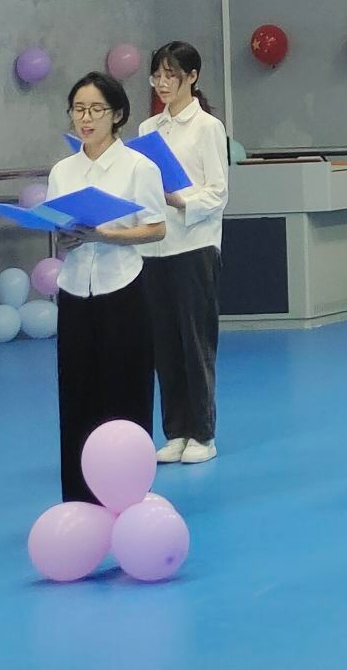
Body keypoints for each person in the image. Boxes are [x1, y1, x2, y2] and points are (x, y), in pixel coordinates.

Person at [46, 72, 166, 504]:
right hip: (75, 291)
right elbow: (60, 224)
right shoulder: (63, 170)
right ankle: (79, 498)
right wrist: (64, 237)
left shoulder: (138, 167)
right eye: (79, 109)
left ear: (117, 115)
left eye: (96, 109)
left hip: (122, 289)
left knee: (125, 395)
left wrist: (105, 235)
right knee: (77, 396)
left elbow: (156, 228)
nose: (86, 118)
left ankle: (129, 495)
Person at [140, 42, 229, 466]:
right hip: (155, 247)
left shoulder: (208, 127)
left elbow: (218, 193)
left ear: (192, 77)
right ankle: (175, 430)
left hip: (195, 246)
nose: (162, 83)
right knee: (164, 344)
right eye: (157, 75)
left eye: (171, 75)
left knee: (196, 343)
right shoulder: (147, 128)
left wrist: (180, 200)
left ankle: (203, 433)